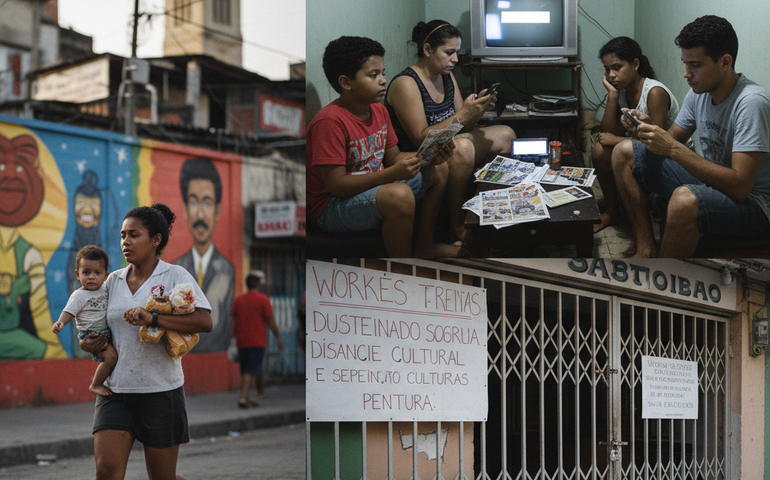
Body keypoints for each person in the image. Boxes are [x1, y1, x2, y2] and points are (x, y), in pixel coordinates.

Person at [612, 15, 770, 257]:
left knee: (684, 200)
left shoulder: (751, 103)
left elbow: (739, 187)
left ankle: (664, 279)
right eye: (685, 63)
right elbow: (670, 139)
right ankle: (645, 247)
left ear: (725, 62)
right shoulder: (699, 93)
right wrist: (648, 129)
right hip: (712, 183)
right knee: (623, 152)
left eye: (695, 65)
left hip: (753, 204)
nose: (686, 74)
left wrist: (671, 148)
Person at [80, 203, 213, 480]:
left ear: (155, 240)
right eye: (123, 235)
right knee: (106, 472)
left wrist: (153, 318)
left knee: (162, 477)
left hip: (161, 391)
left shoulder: (175, 276)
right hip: (115, 391)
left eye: (134, 235)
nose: (125, 242)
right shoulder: (111, 281)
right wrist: (89, 344)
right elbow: (95, 323)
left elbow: (204, 321)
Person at [306, 35, 459, 258]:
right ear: (346, 83)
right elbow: (337, 186)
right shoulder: (330, 122)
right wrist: (392, 174)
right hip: (331, 206)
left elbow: (393, 157)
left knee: (439, 169)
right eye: (373, 75)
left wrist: (428, 158)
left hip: (372, 187)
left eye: (383, 73)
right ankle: (401, 269)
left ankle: (424, 245)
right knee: (399, 195)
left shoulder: (379, 110)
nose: (383, 81)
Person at [384, 20, 516, 241]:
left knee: (507, 135)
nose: (455, 59)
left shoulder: (446, 75)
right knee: (462, 147)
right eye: (449, 53)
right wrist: (463, 114)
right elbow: (421, 139)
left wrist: (478, 110)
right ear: (428, 50)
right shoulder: (406, 83)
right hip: (419, 152)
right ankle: (456, 225)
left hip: (447, 142)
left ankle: (489, 204)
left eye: (457, 53)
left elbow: (463, 124)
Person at [591, 36, 687, 234]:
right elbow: (606, 134)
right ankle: (612, 211)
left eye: (617, 67)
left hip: (672, 155)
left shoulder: (654, 92)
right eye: (607, 69)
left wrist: (617, 140)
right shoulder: (622, 91)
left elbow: (659, 141)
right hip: (642, 146)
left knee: (613, 146)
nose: (611, 75)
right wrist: (612, 95)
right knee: (600, 150)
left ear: (635, 64)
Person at [173, 158, 235, 353]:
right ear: (184, 209)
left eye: (207, 203)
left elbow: (221, 329)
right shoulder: (176, 267)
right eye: (193, 202)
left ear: (218, 211)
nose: (200, 215)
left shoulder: (227, 270)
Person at [52, 245, 116, 396]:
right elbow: (69, 311)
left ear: (105, 276)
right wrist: (61, 322)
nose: (91, 277)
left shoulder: (106, 290)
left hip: (106, 332)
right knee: (111, 357)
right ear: (77, 274)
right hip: (91, 335)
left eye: (97, 273)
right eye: (86, 272)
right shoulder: (79, 295)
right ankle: (96, 384)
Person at [230, 271, 284, 408]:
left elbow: (233, 321)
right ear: (258, 284)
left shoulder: (238, 300)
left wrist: (231, 338)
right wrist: (278, 337)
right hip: (257, 341)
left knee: (245, 370)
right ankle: (243, 398)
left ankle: (248, 396)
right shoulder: (263, 299)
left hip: (241, 341)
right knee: (251, 369)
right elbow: (270, 320)